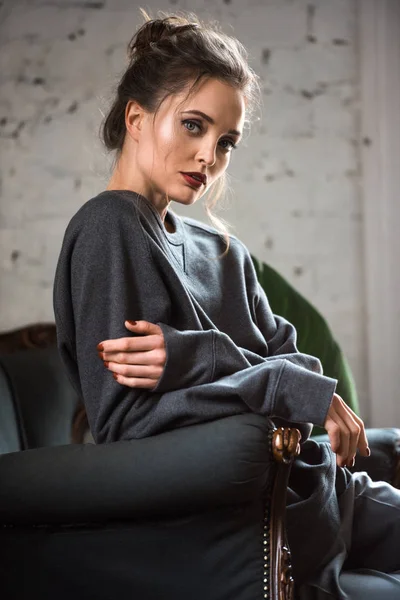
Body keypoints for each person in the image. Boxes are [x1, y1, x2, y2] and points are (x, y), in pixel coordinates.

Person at [53, 10, 400, 599]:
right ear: (137, 119)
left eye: (226, 141)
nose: (208, 156)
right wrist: (217, 359)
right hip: (265, 520)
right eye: (193, 125)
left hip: (322, 487)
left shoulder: (221, 252)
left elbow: (300, 369)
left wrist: (209, 360)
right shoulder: (109, 227)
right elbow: (125, 429)